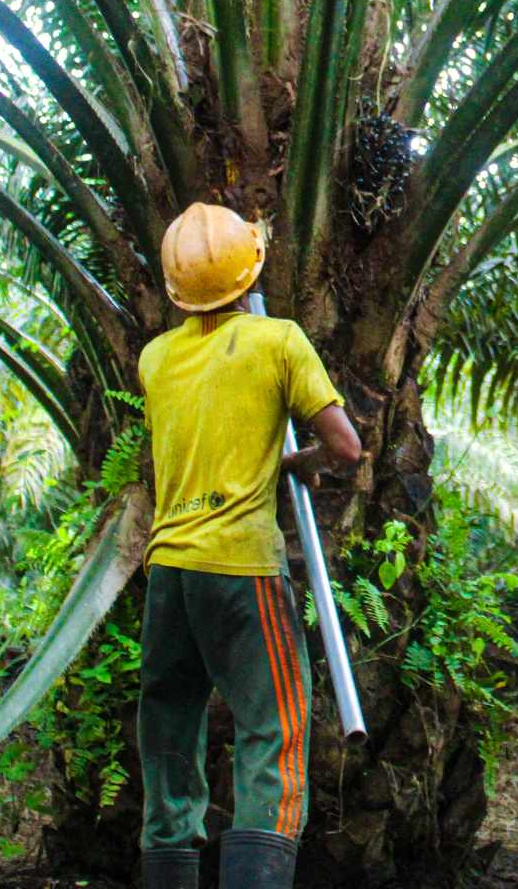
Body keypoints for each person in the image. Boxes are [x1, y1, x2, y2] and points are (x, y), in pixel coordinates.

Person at [136, 203, 362, 889]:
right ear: (251, 271)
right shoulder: (278, 340)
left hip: (169, 570)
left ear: (176, 286)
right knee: (274, 732)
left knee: (171, 737)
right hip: (240, 566)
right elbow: (346, 448)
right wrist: (296, 464)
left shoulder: (155, 358)